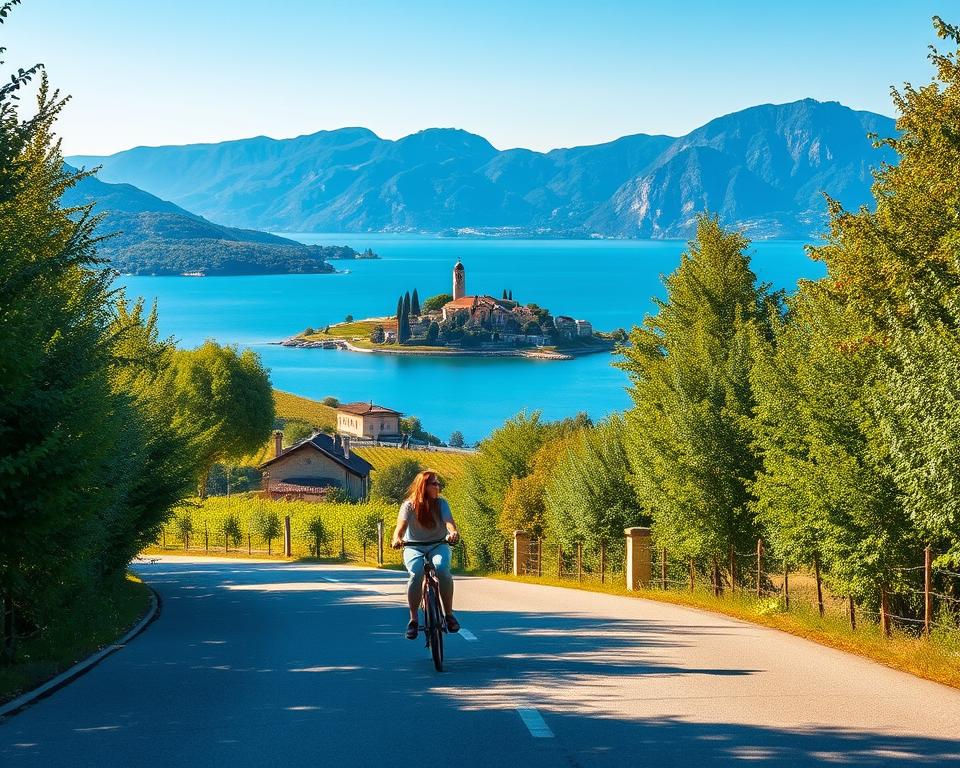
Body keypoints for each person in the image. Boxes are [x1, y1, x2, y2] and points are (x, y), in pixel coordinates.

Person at [391, 469, 460, 639]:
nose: (438, 486)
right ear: (424, 486)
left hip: (438, 544)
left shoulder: (441, 503)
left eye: (438, 483)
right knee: (416, 573)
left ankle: (449, 615)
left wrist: (452, 533)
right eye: (435, 483)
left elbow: (449, 523)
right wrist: (397, 538)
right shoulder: (409, 505)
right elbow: (400, 527)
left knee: (442, 569)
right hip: (414, 546)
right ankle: (413, 620)